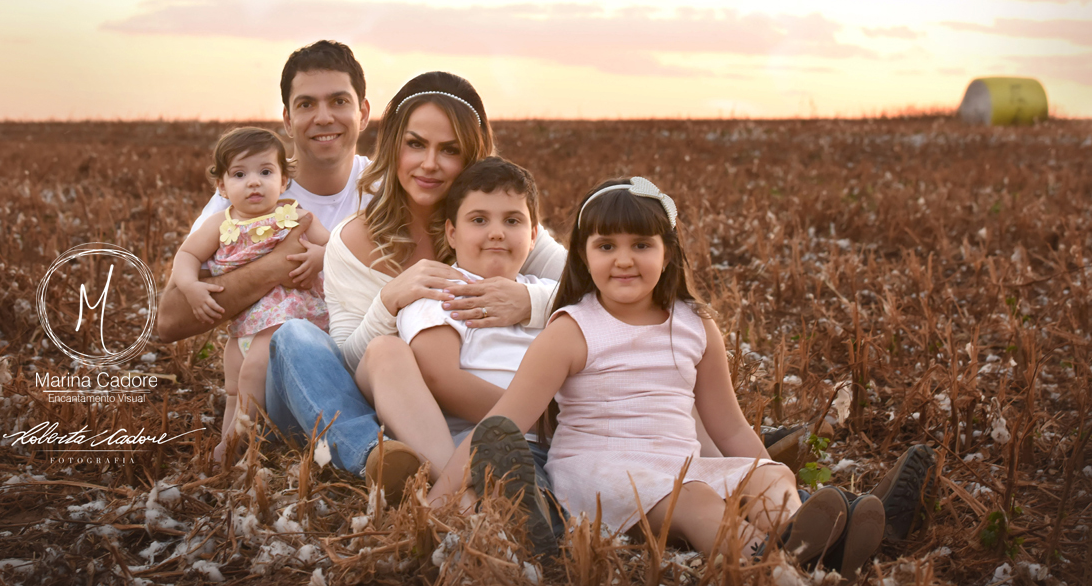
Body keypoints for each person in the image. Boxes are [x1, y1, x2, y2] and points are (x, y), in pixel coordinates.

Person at [427, 177, 886, 570]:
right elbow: (502, 422)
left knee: (769, 478)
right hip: (599, 473)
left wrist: (763, 469)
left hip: (679, 466)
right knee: (697, 499)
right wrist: (438, 502)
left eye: (641, 245)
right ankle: (768, 567)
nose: (624, 260)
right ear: (583, 258)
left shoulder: (695, 324)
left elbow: (728, 425)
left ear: (668, 253)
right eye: (607, 246)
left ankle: (804, 539)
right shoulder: (571, 329)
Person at [266, 71, 567, 494]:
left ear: (472, 159)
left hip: (434, 423)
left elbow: (593, 294)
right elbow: (349, 364)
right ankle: (375, 455)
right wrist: (387, 303)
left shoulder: (497, 231)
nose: (429, 163)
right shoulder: (351, 241)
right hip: (342, 405)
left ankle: (436, 481)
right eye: (415, 145)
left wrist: (528, 300)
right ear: (393, 147)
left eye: (449, 150)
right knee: (296, 337)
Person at [156, 40, 372, 344]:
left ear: (363, 113)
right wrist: (276, 265)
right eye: (306, 104)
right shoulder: (245, 194)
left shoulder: (389, 190)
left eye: (339, 101)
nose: (323, 117)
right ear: (287, 120)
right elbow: (171, 320)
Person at [393, 157, 565, 536]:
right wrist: (534, 419)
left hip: (558, 441)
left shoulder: (546, 294)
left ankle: (543, 517)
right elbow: (441, 378)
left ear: (534, 235)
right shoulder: (442, 294)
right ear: (452, 234)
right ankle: (527, 519)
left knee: (575, 486)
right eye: (479, 220)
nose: (497, 233)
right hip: (477, 441)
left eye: (512, 221)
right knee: (512, 473)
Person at [170, 127, 331, 463]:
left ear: (284, 180)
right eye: (240, 174)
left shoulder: (294, 216)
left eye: (266, 172)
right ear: (222, 186)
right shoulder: (219, 224)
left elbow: (336, 248)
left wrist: (319, 256)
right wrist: (190, 286)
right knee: (233, 385)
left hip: (287, 316)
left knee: (252, 370)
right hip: (245, 322)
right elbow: (186, 256)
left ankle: (232, 444)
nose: (254, 182)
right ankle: (231, 445)